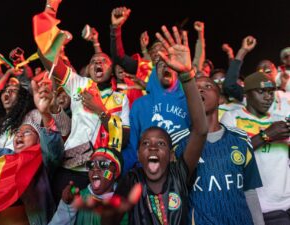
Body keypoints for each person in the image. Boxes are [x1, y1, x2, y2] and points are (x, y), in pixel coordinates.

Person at [101, 24, 207, 225]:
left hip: (185, 176)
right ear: (152, 74)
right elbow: (132, 146)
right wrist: (116, 172)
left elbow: (201, 131)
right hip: (147, 180)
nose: (166, 67)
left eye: (170, 65)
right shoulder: (141, 104)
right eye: (160, 64)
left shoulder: (189, 99)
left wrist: (187, 74)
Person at [35, 0, 130, 201]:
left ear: (111, 69)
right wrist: (50, 8)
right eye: (93, 61)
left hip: (101, 171)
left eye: (103, 60)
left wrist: (100, 110)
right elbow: (48, 57)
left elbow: (124, 139)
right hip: (71, 167)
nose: (97, 62)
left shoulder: (120, 98)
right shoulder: (80, 83)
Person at [110, 7, 192, 173]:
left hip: (182, 171)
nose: (158, 53)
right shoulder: (142, 67)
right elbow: (119, 57)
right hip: (147, 165)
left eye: (162, 49)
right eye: (154, 50)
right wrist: (115, 30)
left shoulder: (189, 97)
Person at [189, 76, 264, 225]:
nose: (200, 89)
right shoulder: (178, 143)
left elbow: (249, 191)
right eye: (194, 88)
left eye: (208, 86)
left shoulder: (241, 138)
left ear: (220, 99)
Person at [0, 76, 64, 225]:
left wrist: (45, 115)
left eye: (27, 132)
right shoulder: (6, 156)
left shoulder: (42, 161)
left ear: (39, 140)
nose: (20, 134)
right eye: (18, 132)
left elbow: (55, 148)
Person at [221, 72, 290, 224]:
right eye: (261, 92)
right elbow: (231, 157)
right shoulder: (233, 118)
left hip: (287, 201)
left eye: (271, 92)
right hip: (260, 207)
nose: (268, 97)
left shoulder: (280, 120)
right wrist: (266, 136)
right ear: (247, 93)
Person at [49, 147, 128, 225]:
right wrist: (67, 206)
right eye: (91, 164)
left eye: (103, 164)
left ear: (115, 173)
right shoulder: (78, 197)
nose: (95, 169)